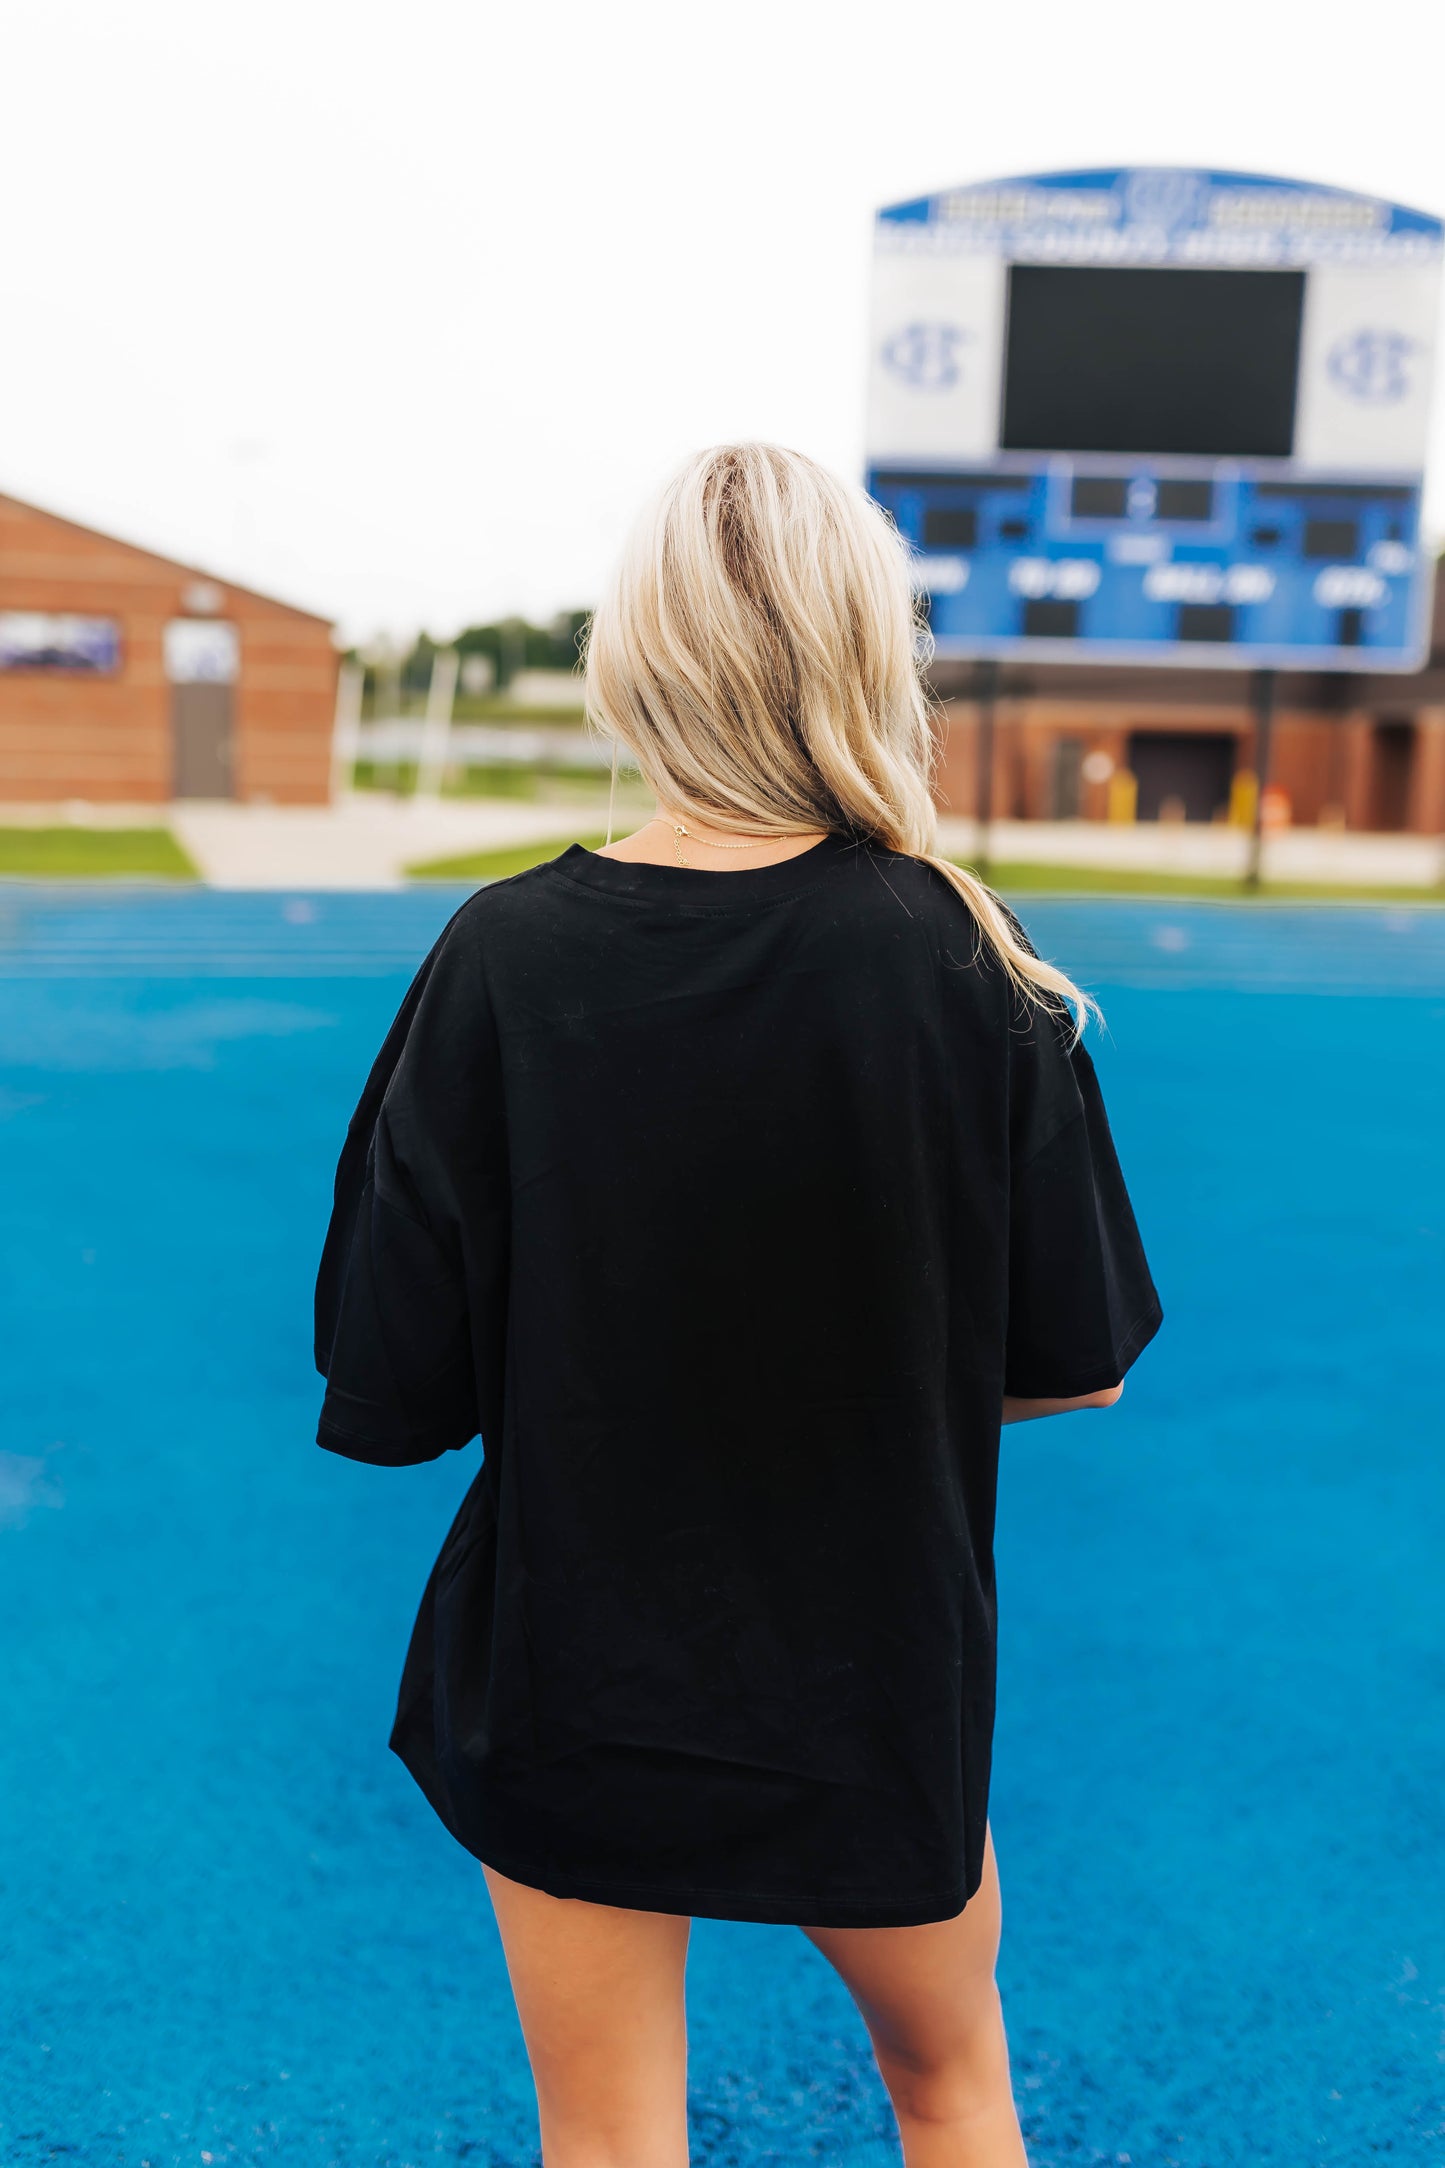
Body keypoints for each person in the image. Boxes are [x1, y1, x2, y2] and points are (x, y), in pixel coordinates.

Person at [314, 443, 1162, 2168]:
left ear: (632, 660)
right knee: (950, 2094)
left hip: (576, 1673)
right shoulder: (968, 962)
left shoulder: (499, 960)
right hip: (877, 1675)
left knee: (609, 2142)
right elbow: (1067, 1369)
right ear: (870, 651)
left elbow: (388, 1383)